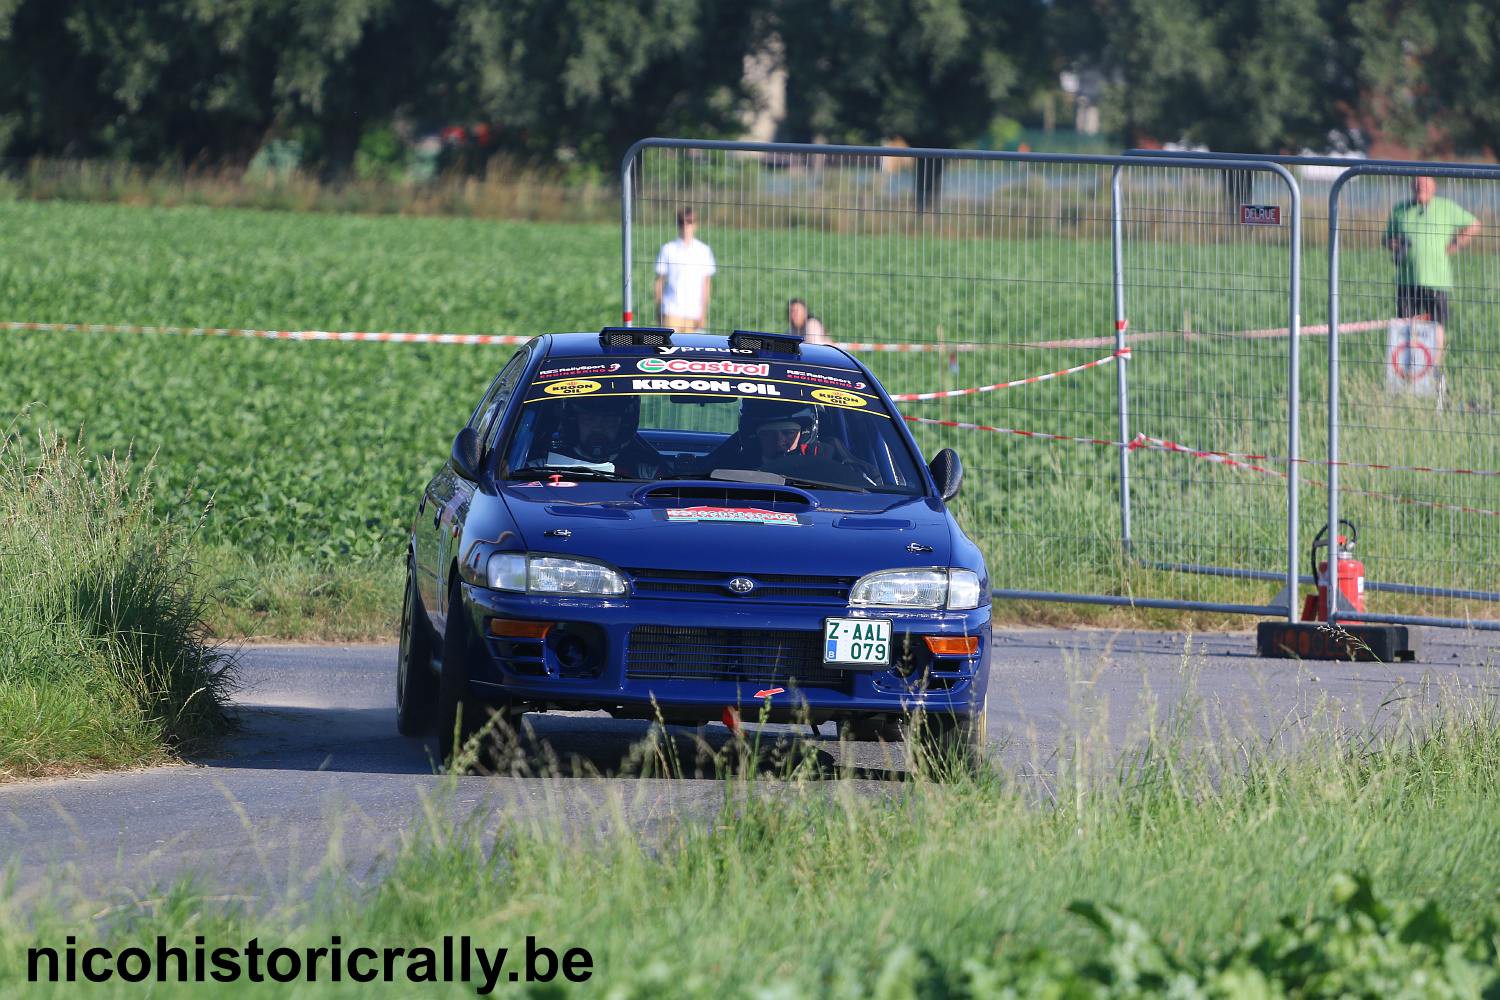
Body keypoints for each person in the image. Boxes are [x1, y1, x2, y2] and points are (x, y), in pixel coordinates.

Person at [1384, 176, 1481, 366]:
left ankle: (1433, 368)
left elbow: (1475, 224)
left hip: (1437, 280)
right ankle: (1407, 368)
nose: (1421, 188)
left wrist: (1457, 244)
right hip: (1406, 279)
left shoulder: (1446, 207)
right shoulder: (1400, 209)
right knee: (1405, 325)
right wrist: (1396, 244)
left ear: (1434, 187)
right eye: (1417, 185)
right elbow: (1387, 238)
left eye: (1425, 185)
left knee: (1436, 325)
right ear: (1412, 187)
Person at [545, 395, 663, 479]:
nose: (598, 428)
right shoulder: (543, 465)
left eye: (608, 420)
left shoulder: (646, 471)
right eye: (589, 420)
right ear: (575, 423)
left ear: (623, 425)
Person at [654, 207, 716, 332]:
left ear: (696, 224)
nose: (685, 226)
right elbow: (659, 282)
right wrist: (658, 310)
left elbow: (707, 284)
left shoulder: (704, 251)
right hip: (671, 311)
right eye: (681, 222)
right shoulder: (667, 249)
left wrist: (703, 313)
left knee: (694, 351)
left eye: (689, 221)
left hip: (694, 313)